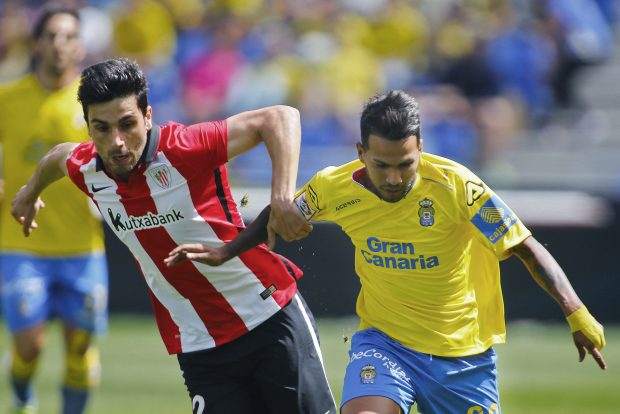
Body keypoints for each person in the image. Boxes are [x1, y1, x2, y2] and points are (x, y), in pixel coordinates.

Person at [167, 90, 607, 414]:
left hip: (463, 355)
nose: (394, 178)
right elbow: (276, 216)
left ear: (421, 150)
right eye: (382, 165)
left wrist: (575, 311)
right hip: (385, 345)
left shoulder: (459, 187)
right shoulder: (334, 187)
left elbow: (526, 248)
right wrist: (229, 250)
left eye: (405, 164)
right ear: (361, 153)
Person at [11, 57, 336, 414]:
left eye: (127, 124)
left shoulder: (185, 147)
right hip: (200, 345)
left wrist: (281, 198)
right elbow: (59, 156)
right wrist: (29, 193)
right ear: (88, 127)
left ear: (148, 116)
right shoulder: (87, 169)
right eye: (101, 128)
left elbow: (280, 117)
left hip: (270, 319)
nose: (117, 142)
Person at [0, 8, 108, 414]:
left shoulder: (96, 104)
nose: (60, 44)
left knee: (80, 346)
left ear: (80, 45)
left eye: (69, 36)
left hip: (83, 244)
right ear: (38, 44)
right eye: (52, 35)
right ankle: (23, 394)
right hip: (20, 241)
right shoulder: (8, 98)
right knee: (29, 343)